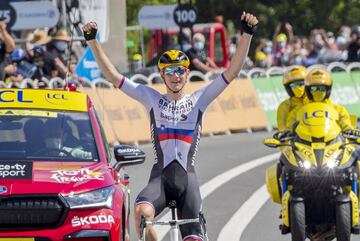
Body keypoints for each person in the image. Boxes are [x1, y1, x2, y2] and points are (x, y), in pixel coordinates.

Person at [82, 11, 258, 241]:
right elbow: (114, 77)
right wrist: (92, 40)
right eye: (169, 71)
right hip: (161, 181)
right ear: (162, 75)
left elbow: (232, 72)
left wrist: (246, 34)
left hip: (188, 182)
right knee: (141, 213)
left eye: (180, 71)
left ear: (187, 73)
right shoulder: (151, 98)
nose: (176, 76)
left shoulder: (199, 99)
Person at [286, 68, 355, 132]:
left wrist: (351, 131)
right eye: (314, 88)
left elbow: (347, 126)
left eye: (322, 88)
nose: (318, 91)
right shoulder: (298, 110)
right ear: (308, 91)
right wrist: (286, 132)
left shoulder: (339, 110)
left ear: (328, 91)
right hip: (303, 144)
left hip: (333, 143)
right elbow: (289, 128)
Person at [276, 65, 308, 132]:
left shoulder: (317, 101)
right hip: (296, 140)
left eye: (301, 83)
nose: (297, 87)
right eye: (293, 85)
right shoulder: (284, 106)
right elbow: (282, 131)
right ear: (288, 88)